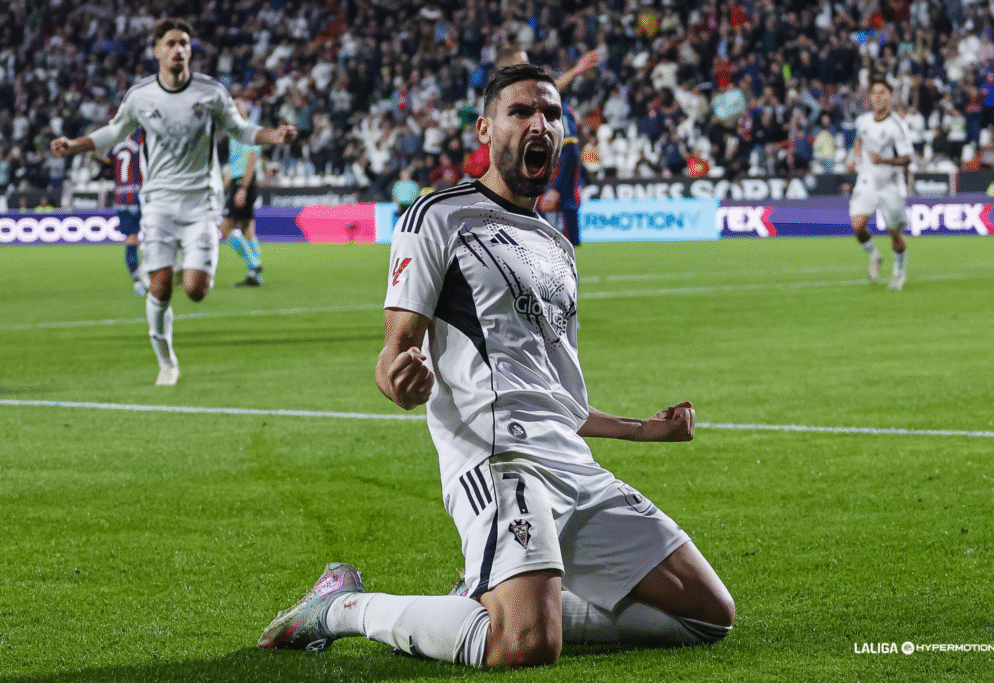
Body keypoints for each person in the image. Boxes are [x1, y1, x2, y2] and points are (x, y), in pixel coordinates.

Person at [259, 64, 734, 668]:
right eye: (521, 112)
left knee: (706, 614)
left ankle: (494, 599)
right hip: (496, 457)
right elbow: (394, 349)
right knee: (526, 646)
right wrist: (401, 380)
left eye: (552, 114)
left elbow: (556, 394)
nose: (541, 124)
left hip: (570, 462)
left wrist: (645, 430)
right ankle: (342, 607)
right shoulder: (437, 217)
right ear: (486, 129)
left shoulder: (558, 248)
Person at [50, 19, 296, 386]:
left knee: (196, 290)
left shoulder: (211, 92)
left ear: (190, 51)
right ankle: (167, 362)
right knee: (161, 289)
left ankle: (182, 265)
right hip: (160, 201)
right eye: (171, 43)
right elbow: (114, 130)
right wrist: (75, 145)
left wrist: (273, 135)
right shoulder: (141, 95)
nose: (178, 49)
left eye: (184, 43)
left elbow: (240, 129)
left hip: (201, 202)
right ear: (157, 51)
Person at [464, 48, 600, 246]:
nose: (530, 66)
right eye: (524, 61)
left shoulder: (510, 93)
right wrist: (576, 71)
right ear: (509, 66)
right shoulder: (509, 94)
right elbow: (547, 91)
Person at [847, 79, 913, 291]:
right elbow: (859, 140)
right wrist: (855, 157)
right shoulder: (863, 121)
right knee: (857, 225)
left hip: (889, 183)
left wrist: (884, 161)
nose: (877, 97)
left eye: (882, 92)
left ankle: (899, 272)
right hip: (867, 179)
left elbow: (907, 158)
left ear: (890, 97)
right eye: (873, 93)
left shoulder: (897, 126)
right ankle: (875, 257)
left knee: (895, 234)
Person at [219, 97, 266, 288]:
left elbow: (251, 159)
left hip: (243, 184)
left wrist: (243, 189)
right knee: (247, 228)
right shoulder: (234, 134)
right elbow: (232, 166)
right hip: (238, 183)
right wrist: (221, 190)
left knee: (225, 228)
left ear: (246, 109)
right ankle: (254, 276)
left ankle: (254, 263)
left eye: (239, 106)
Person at [106, 128, 148, 296]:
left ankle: (137, 280)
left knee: (131, 238)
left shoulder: (116, 142)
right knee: (153, 233)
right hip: (138, 193)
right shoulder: (139, 138)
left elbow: (106, 159)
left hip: (121, 196)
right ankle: (151, 274)